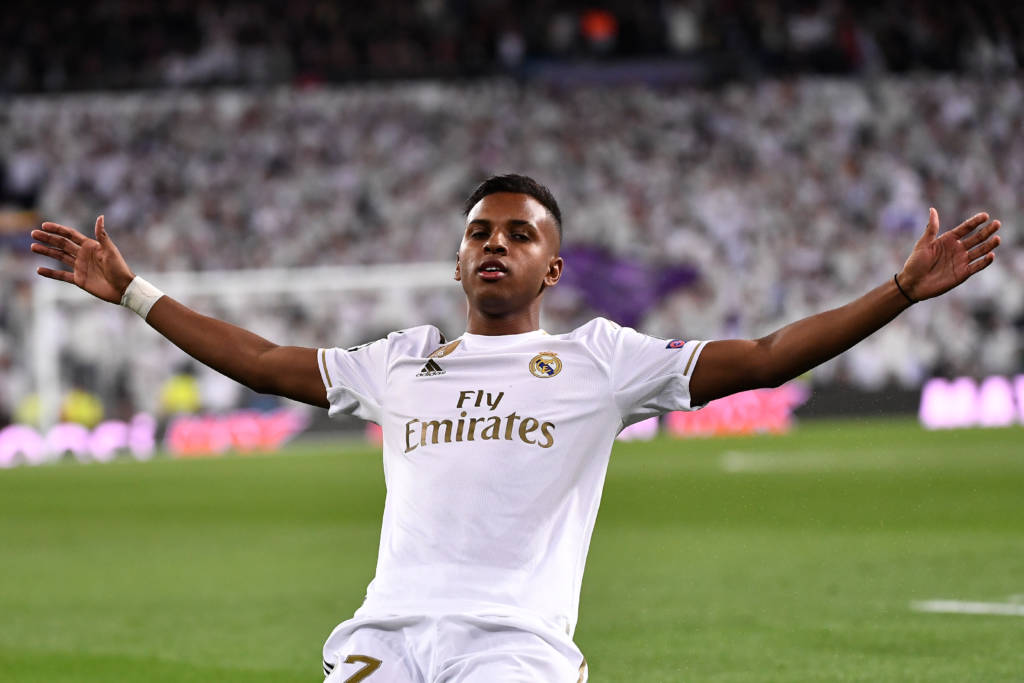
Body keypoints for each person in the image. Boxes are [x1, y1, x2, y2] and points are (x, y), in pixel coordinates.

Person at [31, 174, 1001, 682]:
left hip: (515, 646)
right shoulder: (399, 360)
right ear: (458, 264)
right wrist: (135, 292)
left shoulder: (601, 359)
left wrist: (898, 290)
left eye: (519, 233)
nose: (495, 242)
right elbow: (263, 359)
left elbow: (764, 356)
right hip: (384, 636)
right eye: (479, 233)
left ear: (553, 269)